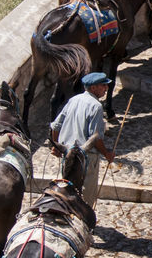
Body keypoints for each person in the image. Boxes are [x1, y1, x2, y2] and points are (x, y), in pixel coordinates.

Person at [49, 73, 116, 207]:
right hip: (85, 158)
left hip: (67, 156)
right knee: (86, 197)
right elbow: (95, 138)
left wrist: (56, 146)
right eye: (103, 85)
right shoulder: (96, 106)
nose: (106, 88)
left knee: (66, 190)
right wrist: (107, 154)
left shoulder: (74, 99)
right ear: (93, 88)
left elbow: (56, 126)